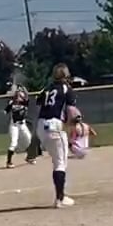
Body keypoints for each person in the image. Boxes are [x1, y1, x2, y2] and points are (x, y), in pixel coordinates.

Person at [35, 65, 78, 207]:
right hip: (54, 126)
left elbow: (39, 102)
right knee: (60, 163)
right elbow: (72, 111)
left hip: (41, 126)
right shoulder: (66, 89)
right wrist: (76, 125)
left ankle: (60, 196)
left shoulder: (47, 88)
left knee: (56, 161)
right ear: (66, 76)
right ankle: (60, 198)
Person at [4, 88, 35, 168]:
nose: (19, 97)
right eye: (17, 95)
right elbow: (6, 111)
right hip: (14, 126)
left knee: (29, 140)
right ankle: (9, 162)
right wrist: (9, 106)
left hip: (22, 125)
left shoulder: (25, 103)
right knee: (14, 143)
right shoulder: (12, 103)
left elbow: (27, 96)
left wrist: (23, 90)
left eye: (20, 95)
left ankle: (29, 157)